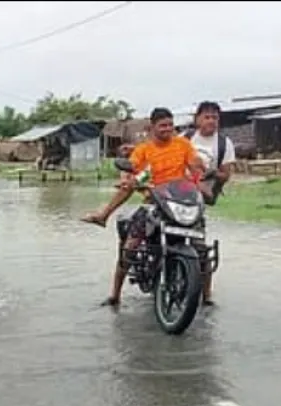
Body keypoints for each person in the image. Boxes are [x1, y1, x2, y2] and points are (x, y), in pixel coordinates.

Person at [80, 107, 208, 307]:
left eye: (170, 125)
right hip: (153, 202)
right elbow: (131, 169)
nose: (167, 129)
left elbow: (194, 165)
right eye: (163, 126)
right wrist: (128, 180)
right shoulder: (144, 150)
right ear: (152, 127)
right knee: (130, 246)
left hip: (181, 202)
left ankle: (207, 297)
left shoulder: (183, 144)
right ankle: (115, 294)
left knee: (201, 246)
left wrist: (201, 171)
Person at [182, 101, 236, 306]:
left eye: (215, 117)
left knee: (200, 246)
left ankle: (207, 294)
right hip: (176, 193)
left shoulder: (224, 144)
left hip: (199, 199)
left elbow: (226, 174)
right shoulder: (185, 139)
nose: (211, 121)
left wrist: (215, 174)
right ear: (197, 119)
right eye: (207, 117)